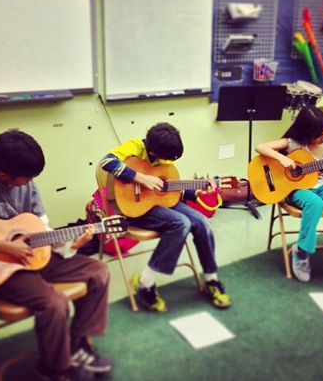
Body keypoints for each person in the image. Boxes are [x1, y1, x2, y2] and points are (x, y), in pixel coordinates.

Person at [0, 130, 113, 381]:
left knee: (98, 271)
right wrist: (7, 247)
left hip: (31, 257)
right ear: (4, 175)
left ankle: (77, 344)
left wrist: (72, 242)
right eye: (26, 178)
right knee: (54, 303)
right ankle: (52, 368)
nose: (30, 182)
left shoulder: (29, 184)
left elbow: (41, 231)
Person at [99, 122, 231, 312]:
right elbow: (106, 162)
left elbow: (171, 191)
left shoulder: (166, 157)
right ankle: (146, 283)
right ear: (153, 153)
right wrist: (141, 178)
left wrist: (197, 193)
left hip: (160, 205)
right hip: (134, 208)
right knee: (181, 223)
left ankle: (212, 280)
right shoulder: (135, 147)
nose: (169, 162)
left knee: (202, 221)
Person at [255, 105, 323, 282]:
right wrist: (282, 158)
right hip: (296, 189)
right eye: (318, 134)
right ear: (305, 132)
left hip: (322, 187)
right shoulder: (295, 143)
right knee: (315, 203)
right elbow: (260, 147)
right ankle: (302, 252)